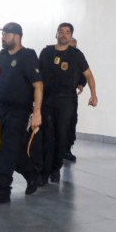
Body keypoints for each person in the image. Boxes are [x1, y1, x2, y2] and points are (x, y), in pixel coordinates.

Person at [0, 22, 43, 206]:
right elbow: (3, 77)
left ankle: (3, 190)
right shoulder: (2, 55)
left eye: (6, 34)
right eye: (2, 34)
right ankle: (31, 174)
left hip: (19, 110)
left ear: (17, 36)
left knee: (7, 149)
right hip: (1, 109)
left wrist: (37, 112)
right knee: (14, 149)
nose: (3, 37)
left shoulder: (28, 56)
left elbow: (38, 85)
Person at [38, 23, 97, 184]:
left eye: (67, 32)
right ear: (56, 34)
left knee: (61, 135)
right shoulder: (46, 52)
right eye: (61, 32)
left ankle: (56, 169)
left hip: (66, 100)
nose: (64, 35)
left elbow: (89, 75)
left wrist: (93, 95)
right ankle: (44, 171)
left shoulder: (76, 54)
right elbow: (37, 76)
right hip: (47, 99)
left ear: (71, 36)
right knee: (46, 135)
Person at [64, 37, 87, 162]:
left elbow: (84, 73)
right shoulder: (54, 54)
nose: (73, 48)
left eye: (75, 46)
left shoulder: (78, 56)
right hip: (55, 95)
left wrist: (81, 84)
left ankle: (67, 149)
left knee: (71, 121)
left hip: (71, 95)